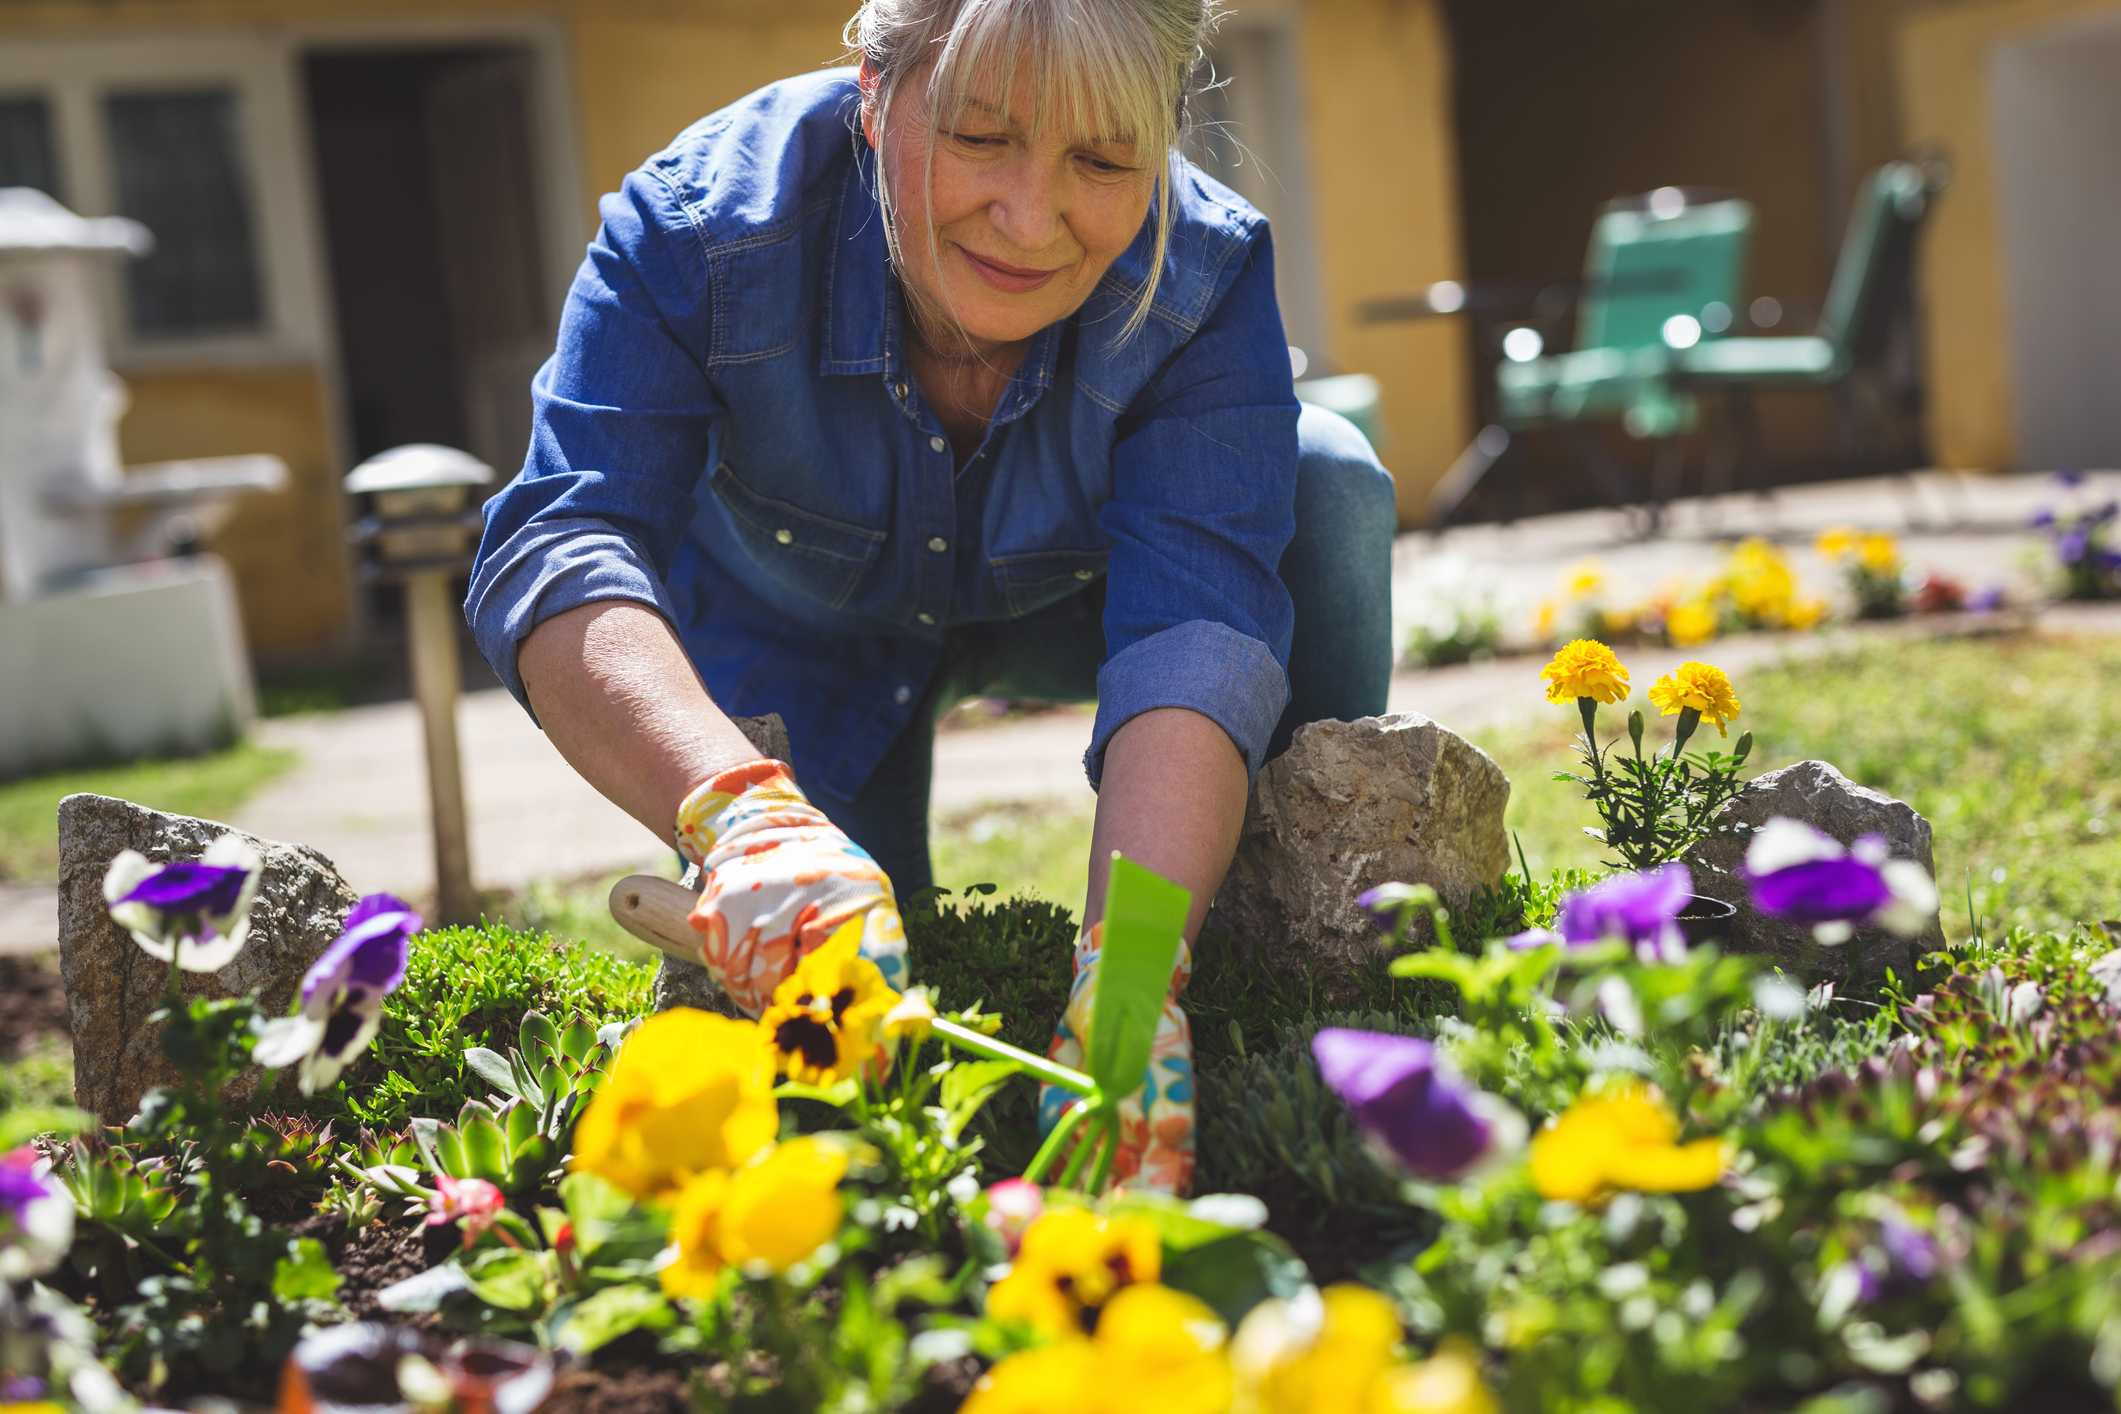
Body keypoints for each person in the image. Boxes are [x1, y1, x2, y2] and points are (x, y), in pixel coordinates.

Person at [466, 0, 1396, 1194]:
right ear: (872, 89)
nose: (1029, 216)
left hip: (1076, 604)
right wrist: (736, 811)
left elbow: (1193, 626)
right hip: (797, 625)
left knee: (1327, 481)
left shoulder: (1202, 270)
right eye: (976, 138)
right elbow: (560, 540)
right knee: (853, 1054)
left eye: (1104, 160)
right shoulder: (702, 227)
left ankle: (1268, 958)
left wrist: (1135, 980)